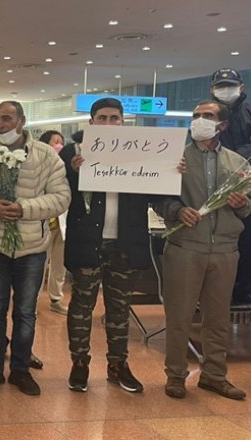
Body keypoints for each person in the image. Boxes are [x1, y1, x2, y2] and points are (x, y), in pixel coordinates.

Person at [0, 100, 70, 396]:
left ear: (22, 121)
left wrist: (24, 209)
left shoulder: (46, 155)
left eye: (7, 119)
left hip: (33, 246)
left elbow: (61, 197)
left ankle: (20, 369)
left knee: (25, 311)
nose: (0, 125)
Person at [155, 100, 251, 401]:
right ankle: (175, 376)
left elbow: (250, 208)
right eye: (195, 115)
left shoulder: (238, 163)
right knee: (179, 316)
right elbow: (157, 199)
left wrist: (242, 204)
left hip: (225, 250)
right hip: (185, 247)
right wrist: (176, 210)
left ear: (222, 125)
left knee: (218, 318)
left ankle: (214, 376)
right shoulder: (175, 159)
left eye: (207, 116)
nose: (199, 120)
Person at [59, 98, 156, 394]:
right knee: (81, 308)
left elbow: (157, 192)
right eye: (102, 117)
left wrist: (172, 170)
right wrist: (74, 173)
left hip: (125, 245)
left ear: (123, 122)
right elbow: (59, 194)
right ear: (91, 122)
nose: (109, 123)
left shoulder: (141, 154)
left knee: (119, 310)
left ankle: (118, 365)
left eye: (115, 118)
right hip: (88, 243)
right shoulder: (72, 153)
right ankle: (80, 363)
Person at [209, 68, 251, 306]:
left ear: (241, 87)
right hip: (214, 185)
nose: (226, 90)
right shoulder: (208, 112)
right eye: (221, 86)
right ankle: (217, 288)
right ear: (212, 90)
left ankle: (243, 288)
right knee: (217, 236)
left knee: (249, 238)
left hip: (249, 182)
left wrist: (236, 162)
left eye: (230, 85)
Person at [37, 130, 69, 316]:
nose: (59, 145)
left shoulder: (66, 166)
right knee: (39, 264)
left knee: (59, 263)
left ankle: (56, 298)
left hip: (61, 220)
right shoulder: (37, 164)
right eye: (56, 141)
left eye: (61, 141)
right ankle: (31, 299)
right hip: (42, 221)